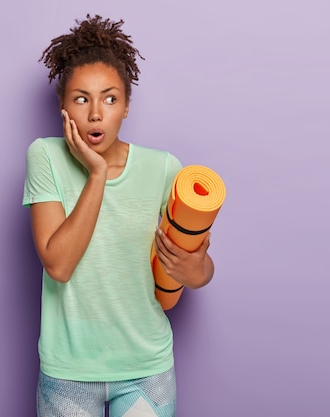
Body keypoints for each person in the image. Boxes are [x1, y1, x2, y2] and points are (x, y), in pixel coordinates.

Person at [23, 14, 214, 417]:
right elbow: (58, 264)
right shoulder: (46, 156)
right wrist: (96, 174)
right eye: (81, 98)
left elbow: (198, 275)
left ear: (126, 107)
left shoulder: (164, 168)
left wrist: (195, 267)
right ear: (62, 106)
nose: (95, 113)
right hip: (69, 372)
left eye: (110, 98)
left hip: (146, 368)